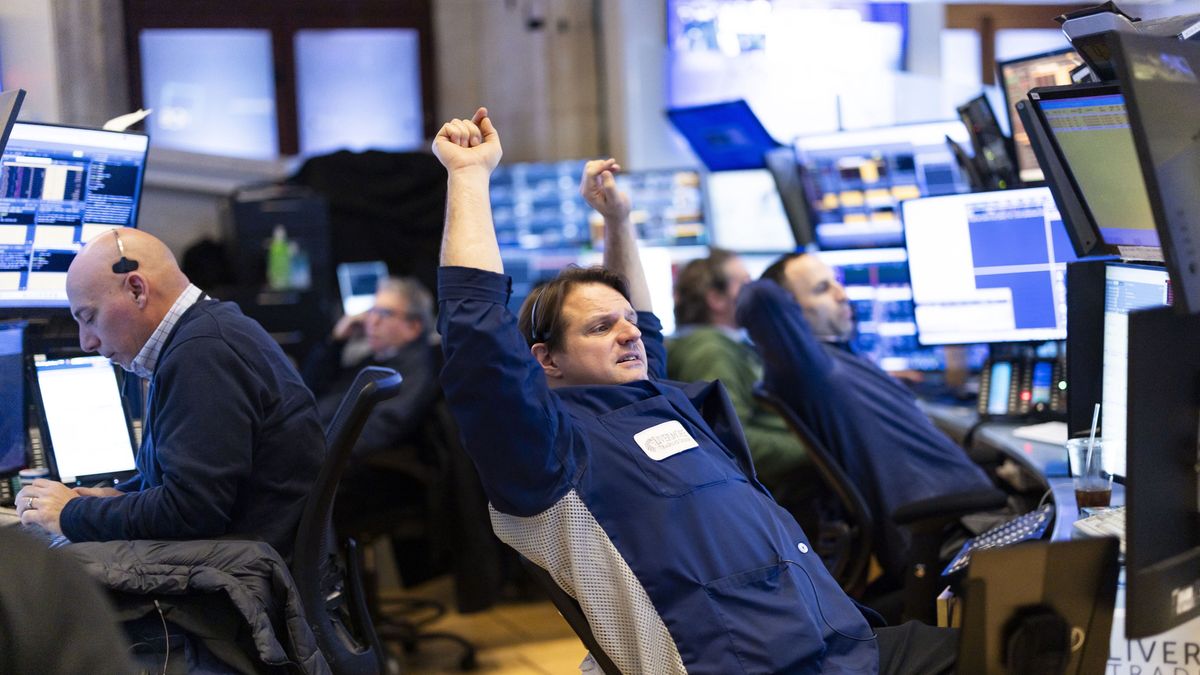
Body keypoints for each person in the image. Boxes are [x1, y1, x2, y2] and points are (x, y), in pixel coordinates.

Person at [432, 107, 957, 674]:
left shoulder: (650, 400)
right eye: (600, 327)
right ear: (547, 361)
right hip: (758, 667)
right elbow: (477, 337)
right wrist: (468, 176)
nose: (629, 331)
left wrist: (618, 221)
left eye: (627, 319)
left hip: (842, 642)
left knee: (1016, 632)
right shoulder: (546, 452)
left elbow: (646, 326)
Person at [15, 228, 324, 559]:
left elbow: (191, 512)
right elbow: (192, 487)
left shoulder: (203, 354)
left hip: (239, 586)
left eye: (89, 318)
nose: (86, 342)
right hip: (251, 564)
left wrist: (70, 514)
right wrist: (116, 499)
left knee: (41, 581)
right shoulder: (214, 330)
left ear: (136, 290)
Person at [738, 252, 997, 583]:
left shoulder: (842, 358)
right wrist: (741, 278)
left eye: (838, 283)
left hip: (972, 518)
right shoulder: (809, 370)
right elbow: (758, 299)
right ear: (789, 311)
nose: (842, 294)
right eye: (821, 289)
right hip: (951, 535)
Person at [668, 249, 814, 492]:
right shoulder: (710, 350)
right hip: (781, 493)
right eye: (745, 284)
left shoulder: (729, 343)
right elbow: (734, 440)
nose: (755, 292)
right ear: (716, 299)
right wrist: (815, 450)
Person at [303, 275, 440, 458]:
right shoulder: (379, 358)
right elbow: (310, 386)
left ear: (413, 327)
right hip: (311, 437)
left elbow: (376, 433)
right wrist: (336, 342)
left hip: (329, 462)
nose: (372, 322)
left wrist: (310, 453)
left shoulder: (413, 371)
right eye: (371, 311)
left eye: (384, 314)